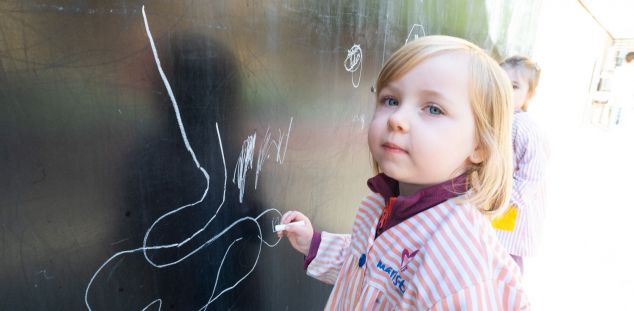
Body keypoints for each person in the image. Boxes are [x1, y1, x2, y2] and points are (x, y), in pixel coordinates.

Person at [278, 35, 528, 309]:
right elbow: (370, 264)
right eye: (391, 100)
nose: (396, 118)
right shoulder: (383, 203)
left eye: (433, 109)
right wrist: (314, 244)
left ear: (480, 145)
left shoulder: (455, 266)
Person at [494, 55, 549, 274]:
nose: (506, 91)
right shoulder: (498, 118)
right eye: (501, 83)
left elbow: (533, 173)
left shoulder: (525, 126)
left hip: (513, 205)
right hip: (497, 201)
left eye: (514, 86)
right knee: (490, 249)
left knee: (507, 258)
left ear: (530, 94)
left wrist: (509, 198)